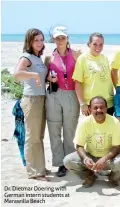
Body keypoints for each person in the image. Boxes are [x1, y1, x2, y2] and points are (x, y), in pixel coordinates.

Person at [63, 96, 120, 188]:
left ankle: (113, 178)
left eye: (101, 107)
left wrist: (105, 159)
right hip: (91, 156)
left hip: (108, 158)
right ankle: (89, 176)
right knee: (67, 161)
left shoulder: (114, 122)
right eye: (95, 108)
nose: (99, 110)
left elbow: (117, 147)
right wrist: (85, 158)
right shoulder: (84, 123)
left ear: (106, 108)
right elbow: (79, 145)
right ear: (90, 109)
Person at [44, 26, 81, 177]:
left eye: (63, 37)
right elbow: (44, 76)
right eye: (57, 38)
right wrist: (48, 78)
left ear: (67, 38)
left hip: (72, 94)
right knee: (54, 130)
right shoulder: (49, 58)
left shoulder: (77, 54)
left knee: (69, 130)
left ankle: (69, 161)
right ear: (53, 39)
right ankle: (59, 163)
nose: (60, 40)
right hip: (54, 94)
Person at [14, 28, 49, 181]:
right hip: (31, 99)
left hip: (41, 98)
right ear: (29, 41)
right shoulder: (26, 57)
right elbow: (17, 74)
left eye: (41, 40)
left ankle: (40, 167)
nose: (40, 43)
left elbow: (40, 80)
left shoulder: (37, 58)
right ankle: (34, 171)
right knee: (32, 136)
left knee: (39, 136)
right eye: (36, 40)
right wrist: (34, 74)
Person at [72, 33, 114, 116]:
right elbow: (77, 83)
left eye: (101, 44)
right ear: (89, 44)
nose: (98, 47)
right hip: (92, 104)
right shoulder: (82, 59)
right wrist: (82, 104)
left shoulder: (104, 58)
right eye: (95, 44)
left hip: (108, 103)